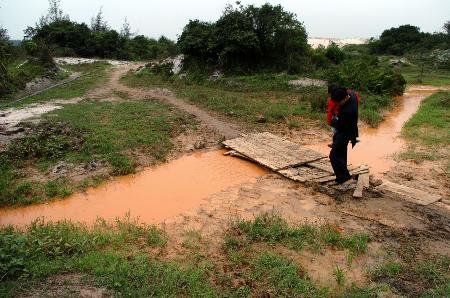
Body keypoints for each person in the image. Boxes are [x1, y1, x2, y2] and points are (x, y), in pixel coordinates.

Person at [329, 87, 359, 184]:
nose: (337, 104)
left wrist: (333, 120)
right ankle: (343, 177)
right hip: (348, 130)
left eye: (337, 102)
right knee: (341, 153)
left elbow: (339, 125)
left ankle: (344, 178)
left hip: (345, 132)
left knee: (334, 155)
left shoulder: (348, 111)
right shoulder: (352, 96)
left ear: (343, 99)